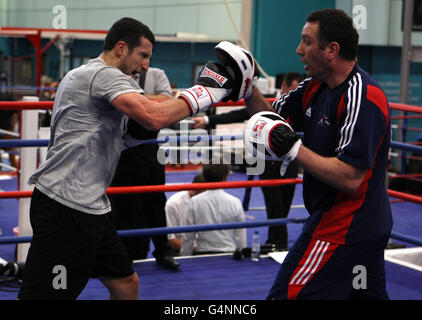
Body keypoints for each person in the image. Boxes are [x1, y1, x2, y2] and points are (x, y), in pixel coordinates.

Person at [18, 17, 240, 300]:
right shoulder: (103, 75)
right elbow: (152, 115)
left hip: (92, 207)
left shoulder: (90, 78)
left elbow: (125, 134)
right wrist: (208, 91)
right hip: (65, 207)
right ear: (121, 48)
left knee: (126, 283)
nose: (146, 65)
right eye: (143, 55)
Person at [241, 9, 392, 299]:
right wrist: (247, 88)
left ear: (332, 50)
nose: (299, 51)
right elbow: (273, 119)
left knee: (287, 295)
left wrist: (293, 148)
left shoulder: (363, 95)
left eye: (306, 42)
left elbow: (350, 178)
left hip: (345, 226)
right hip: (360, 225)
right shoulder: (314, 87)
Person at [191, 72, 304, 251]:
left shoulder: (301, 107)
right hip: (267, 162)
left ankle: (276, 242)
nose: (298, 92)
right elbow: (239, 113)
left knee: (284, 206)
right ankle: (279, 244)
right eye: (295, 88)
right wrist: (207, 120)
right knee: (274, 206)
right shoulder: (267, 104)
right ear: (284, 87)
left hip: (290, 161)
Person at [109, 65, 179, 270]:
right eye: (142, 55)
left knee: (155, 202)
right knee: (121, 204)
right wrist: (147, 102)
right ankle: (125, 255)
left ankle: (162, 251)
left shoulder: (156, 74)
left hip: (148, 148)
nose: (145, 62)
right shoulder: (111, 74)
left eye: (147, 56)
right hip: (119, 150)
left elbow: (168, 101)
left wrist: (133, 99)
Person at [184, 164, 247, 255]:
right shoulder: (234, 202)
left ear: (204, 177)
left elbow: (188, 236)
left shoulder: (195, 201)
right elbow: (241, 234)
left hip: (203, 253)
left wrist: (185, 257)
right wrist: (242, 254)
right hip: (228, 252)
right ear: (224, 178)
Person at [165, 173, 205, 256]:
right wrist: (194, 249)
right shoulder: (174, 204)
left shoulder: (207, 202)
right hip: (179, 249)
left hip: (203, 247)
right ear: (195, 189)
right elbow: (171, 240)